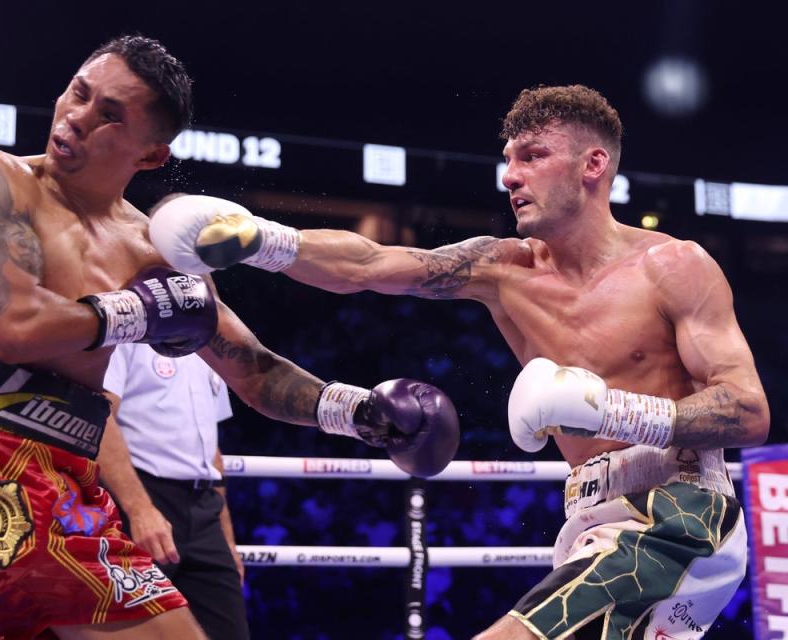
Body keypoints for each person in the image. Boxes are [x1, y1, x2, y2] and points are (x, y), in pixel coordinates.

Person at [0, 35, 459, 640]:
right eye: (77, 94)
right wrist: (138, 311)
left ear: (151, 154)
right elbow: (16, 326)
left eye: (108, 115)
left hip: (64, 488)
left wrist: (361, 412)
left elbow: (251, 369)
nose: (75, 118)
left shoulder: (149, 250)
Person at [149, 84, 771, 639]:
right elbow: (371, 264)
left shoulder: (672, 267)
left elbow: (747, 410)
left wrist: (610, 409)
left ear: (594, 165)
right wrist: (261, 240)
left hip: (681, 510)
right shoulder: (503, 269)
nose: (509, 176)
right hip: (588, 519)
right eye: (508, 159)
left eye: (532, 156)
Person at [99, 341, 249, 639]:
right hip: (143, 501)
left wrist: (227, 539)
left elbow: (210, 445)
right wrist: (139, 509)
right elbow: (99, 416)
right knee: (136, 630)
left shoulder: (209, 343)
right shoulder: (130, 332)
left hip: (205, 511)